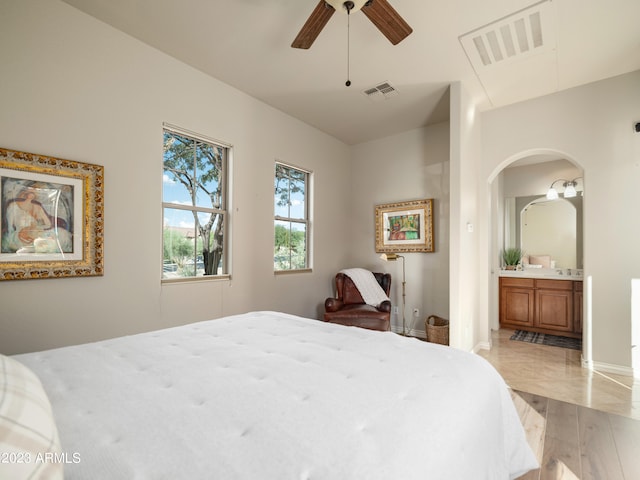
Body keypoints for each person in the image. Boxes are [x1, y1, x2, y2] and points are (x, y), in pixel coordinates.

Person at [1, 189, 72, 254]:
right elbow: (9, 229)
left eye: (34, 192)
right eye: (30, 192)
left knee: (63, 233)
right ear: (24, 193)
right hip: (21, 235)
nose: (31, 195)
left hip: (37, 232)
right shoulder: (13, 206)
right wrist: (21, 234)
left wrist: (38, 225)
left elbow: (47, 224)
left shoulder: (37, 206)